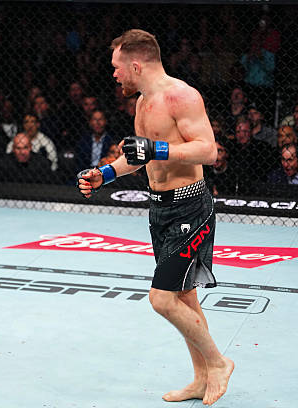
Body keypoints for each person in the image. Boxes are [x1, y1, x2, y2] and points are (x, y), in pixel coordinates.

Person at [77, 29, 234, 405]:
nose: (114, 74)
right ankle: (200, 379)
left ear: (136, 65)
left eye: (117, 67)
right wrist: (105, 174)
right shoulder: (141, 104)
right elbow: (139, 156)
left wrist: (157, 148)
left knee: (162, 299)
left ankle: (218, 362)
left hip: (190, 206)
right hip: (159, 208)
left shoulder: (182, 96)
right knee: (185, 297)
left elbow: (208, 151)